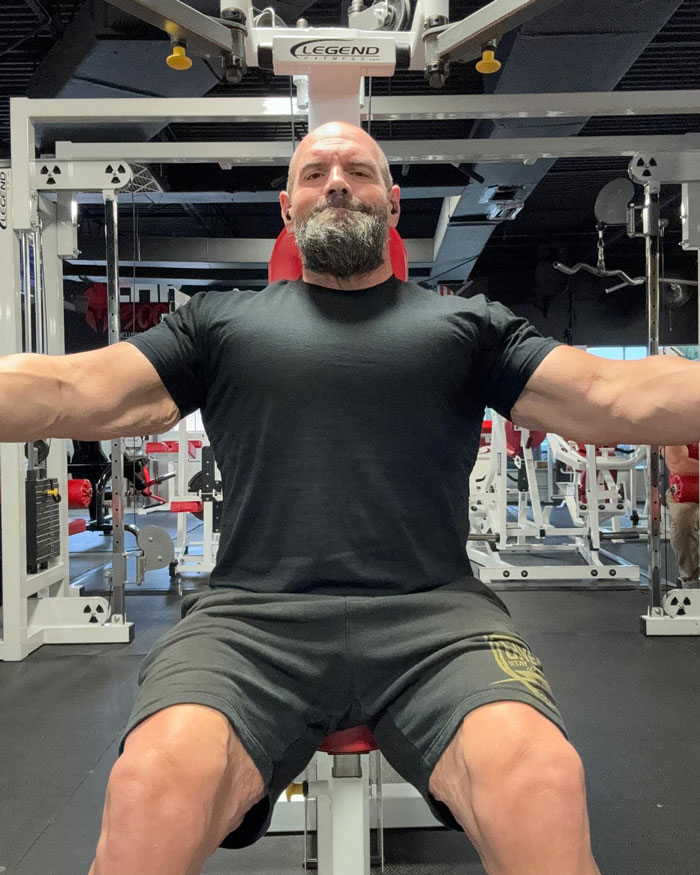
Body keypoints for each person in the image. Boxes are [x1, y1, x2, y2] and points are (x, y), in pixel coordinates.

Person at [3, 122, 700, 875]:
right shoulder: (219, 323)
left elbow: (615, 394)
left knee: (542, 778)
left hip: (437, 621)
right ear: (287, 208)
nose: (337, 182)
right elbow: (73, 387)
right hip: (251, 623)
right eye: (315, 174)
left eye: (358, 171)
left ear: (393, 204)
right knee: (149, 784)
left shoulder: (468, 325)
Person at [664, 444, 699, 584]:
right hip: (687, 493)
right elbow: (678, 464)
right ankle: (691, 578)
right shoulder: (680, 431)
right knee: (684, 520)